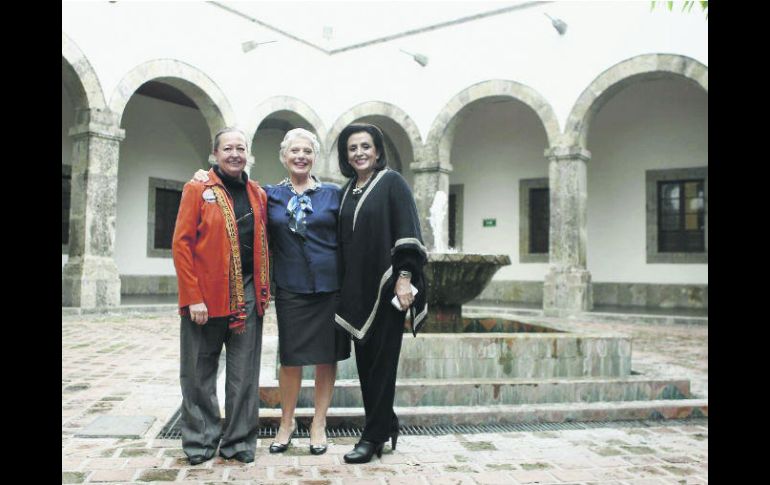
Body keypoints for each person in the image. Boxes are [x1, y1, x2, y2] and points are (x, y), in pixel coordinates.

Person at [192, 128, 350, 456]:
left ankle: (319, 423)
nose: (301, 156)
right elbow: (231, 195)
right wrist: (205, 179)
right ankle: (286, 422)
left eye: (307, 151)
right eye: (294, 151)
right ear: (284, 156)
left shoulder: (334, 194)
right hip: (290, 286)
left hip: (330, 286)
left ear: (314, 157)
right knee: (290, 357)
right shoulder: (268, 195)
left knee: (327, 357)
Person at [172, 127, 271, 465]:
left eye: (240, 148)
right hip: (206, 295)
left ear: (249, 155)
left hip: (247, 292)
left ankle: (240, 442)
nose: (234, 154)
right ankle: (200, 442)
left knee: (244, 373)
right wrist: (192, 297)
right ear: (214, 154)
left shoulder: (258, 193)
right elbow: (181, 245)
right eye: (227, 148)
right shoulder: (197, 189)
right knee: (198, 372)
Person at [333, 123, 428, 464]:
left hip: (389, 290)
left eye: (365, 146)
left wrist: (404, 278)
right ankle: (386, 422)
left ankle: (372, 438)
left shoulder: (393, 183)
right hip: (357, 292)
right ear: (346, 155)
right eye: (352, 148)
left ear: (377, 150)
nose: (359, 153)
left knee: (382, 367)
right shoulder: (348, 190)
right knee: (366, 366)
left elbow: (408, 231)